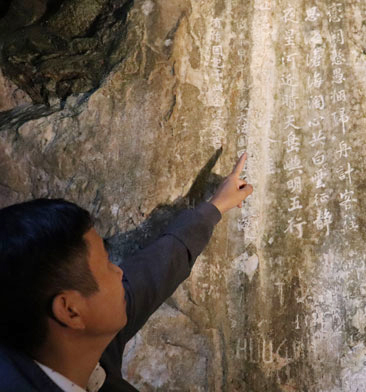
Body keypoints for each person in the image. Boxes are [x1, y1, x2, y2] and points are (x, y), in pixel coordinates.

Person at [0, 152, 253, 391]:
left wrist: (215, 207)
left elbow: (155, 269)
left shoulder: (83, 345)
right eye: (108, 266)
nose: (120, 272)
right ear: (70, 310)